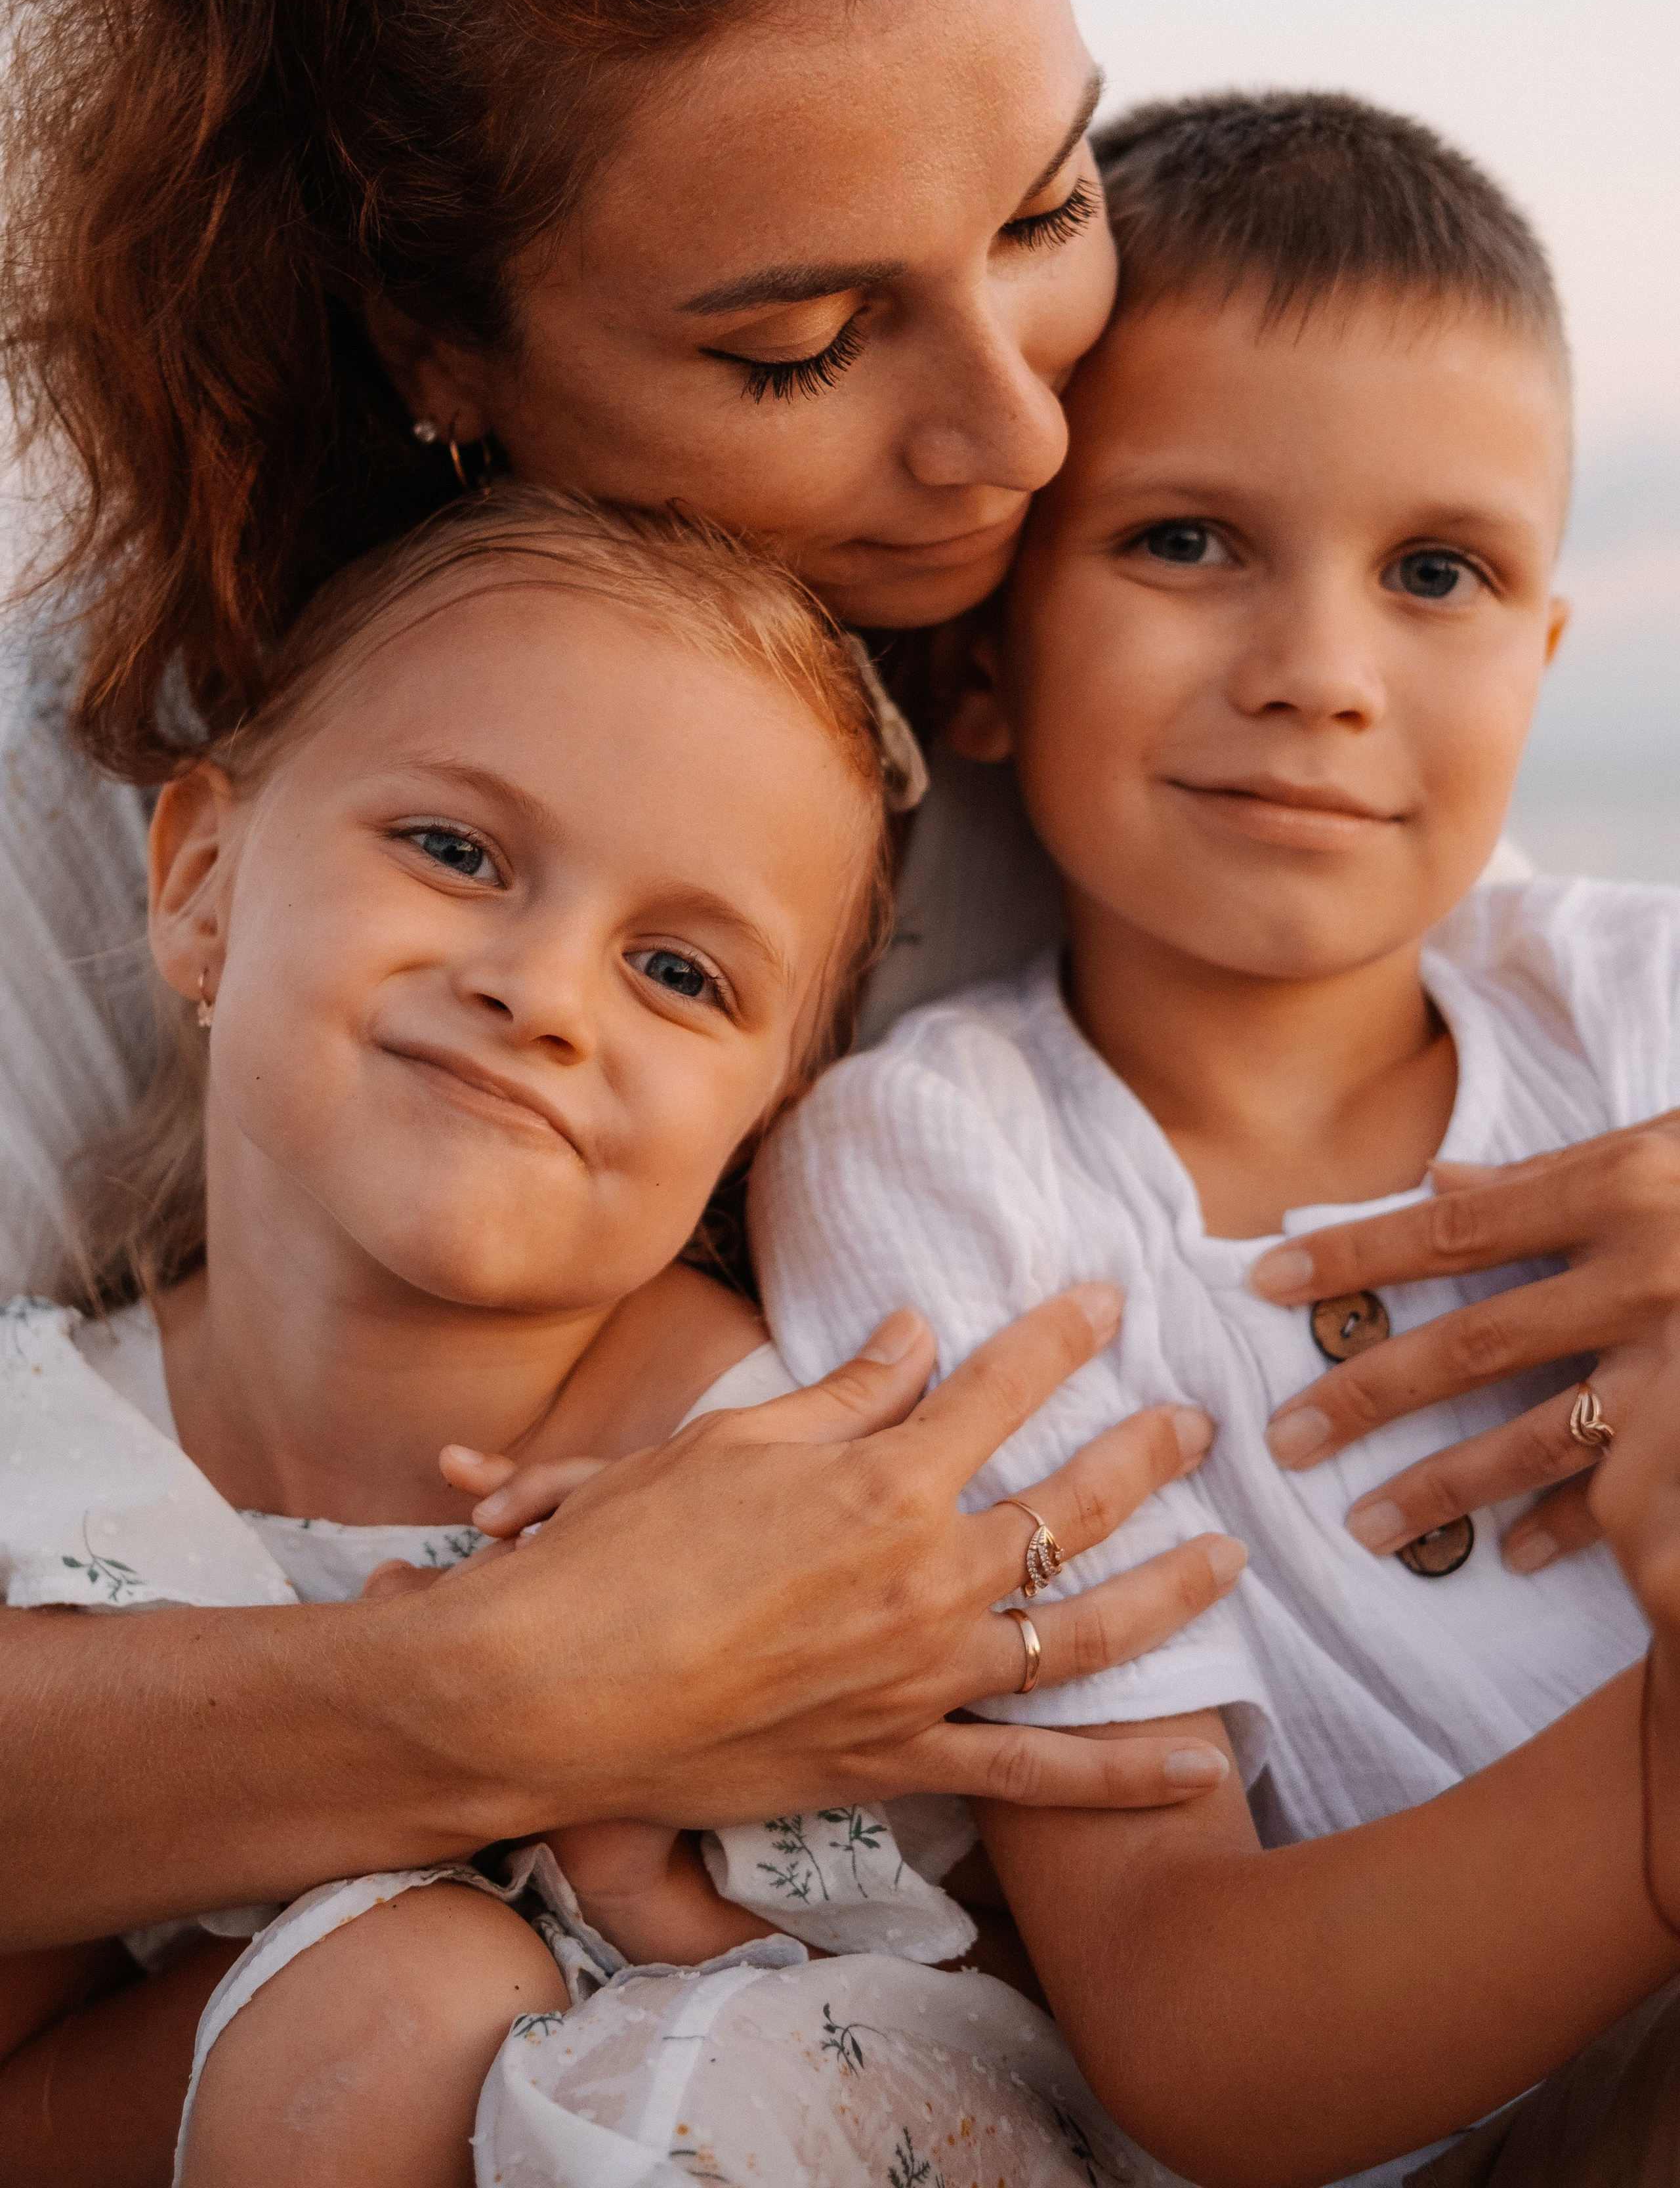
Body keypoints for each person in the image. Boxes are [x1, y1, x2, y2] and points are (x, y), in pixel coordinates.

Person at [1, 0, 1677, 2078]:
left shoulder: (1134, 696)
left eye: (1044, 206)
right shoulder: (79, 786)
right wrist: (520, 1693)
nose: (1020, 425)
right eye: (801, 342)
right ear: (428, 338)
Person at [0, 486, 1225, 2185]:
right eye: (454, 851)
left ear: (766, 1112)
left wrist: (659, 1904)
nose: (547, 992)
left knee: (419, 1992)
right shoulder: (44, 1446)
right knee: (401, 1988)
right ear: (201, 878)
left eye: (678, 972)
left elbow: (1007, 2035)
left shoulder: (772, 1463)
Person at [749, 93, 1680, 2185]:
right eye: (1189, 542)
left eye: (1436, 573)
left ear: (1539, 662)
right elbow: (1186, 2024)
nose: (1322, 675)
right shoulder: (945, 1169)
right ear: (984, 656)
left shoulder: (1635, 1002)